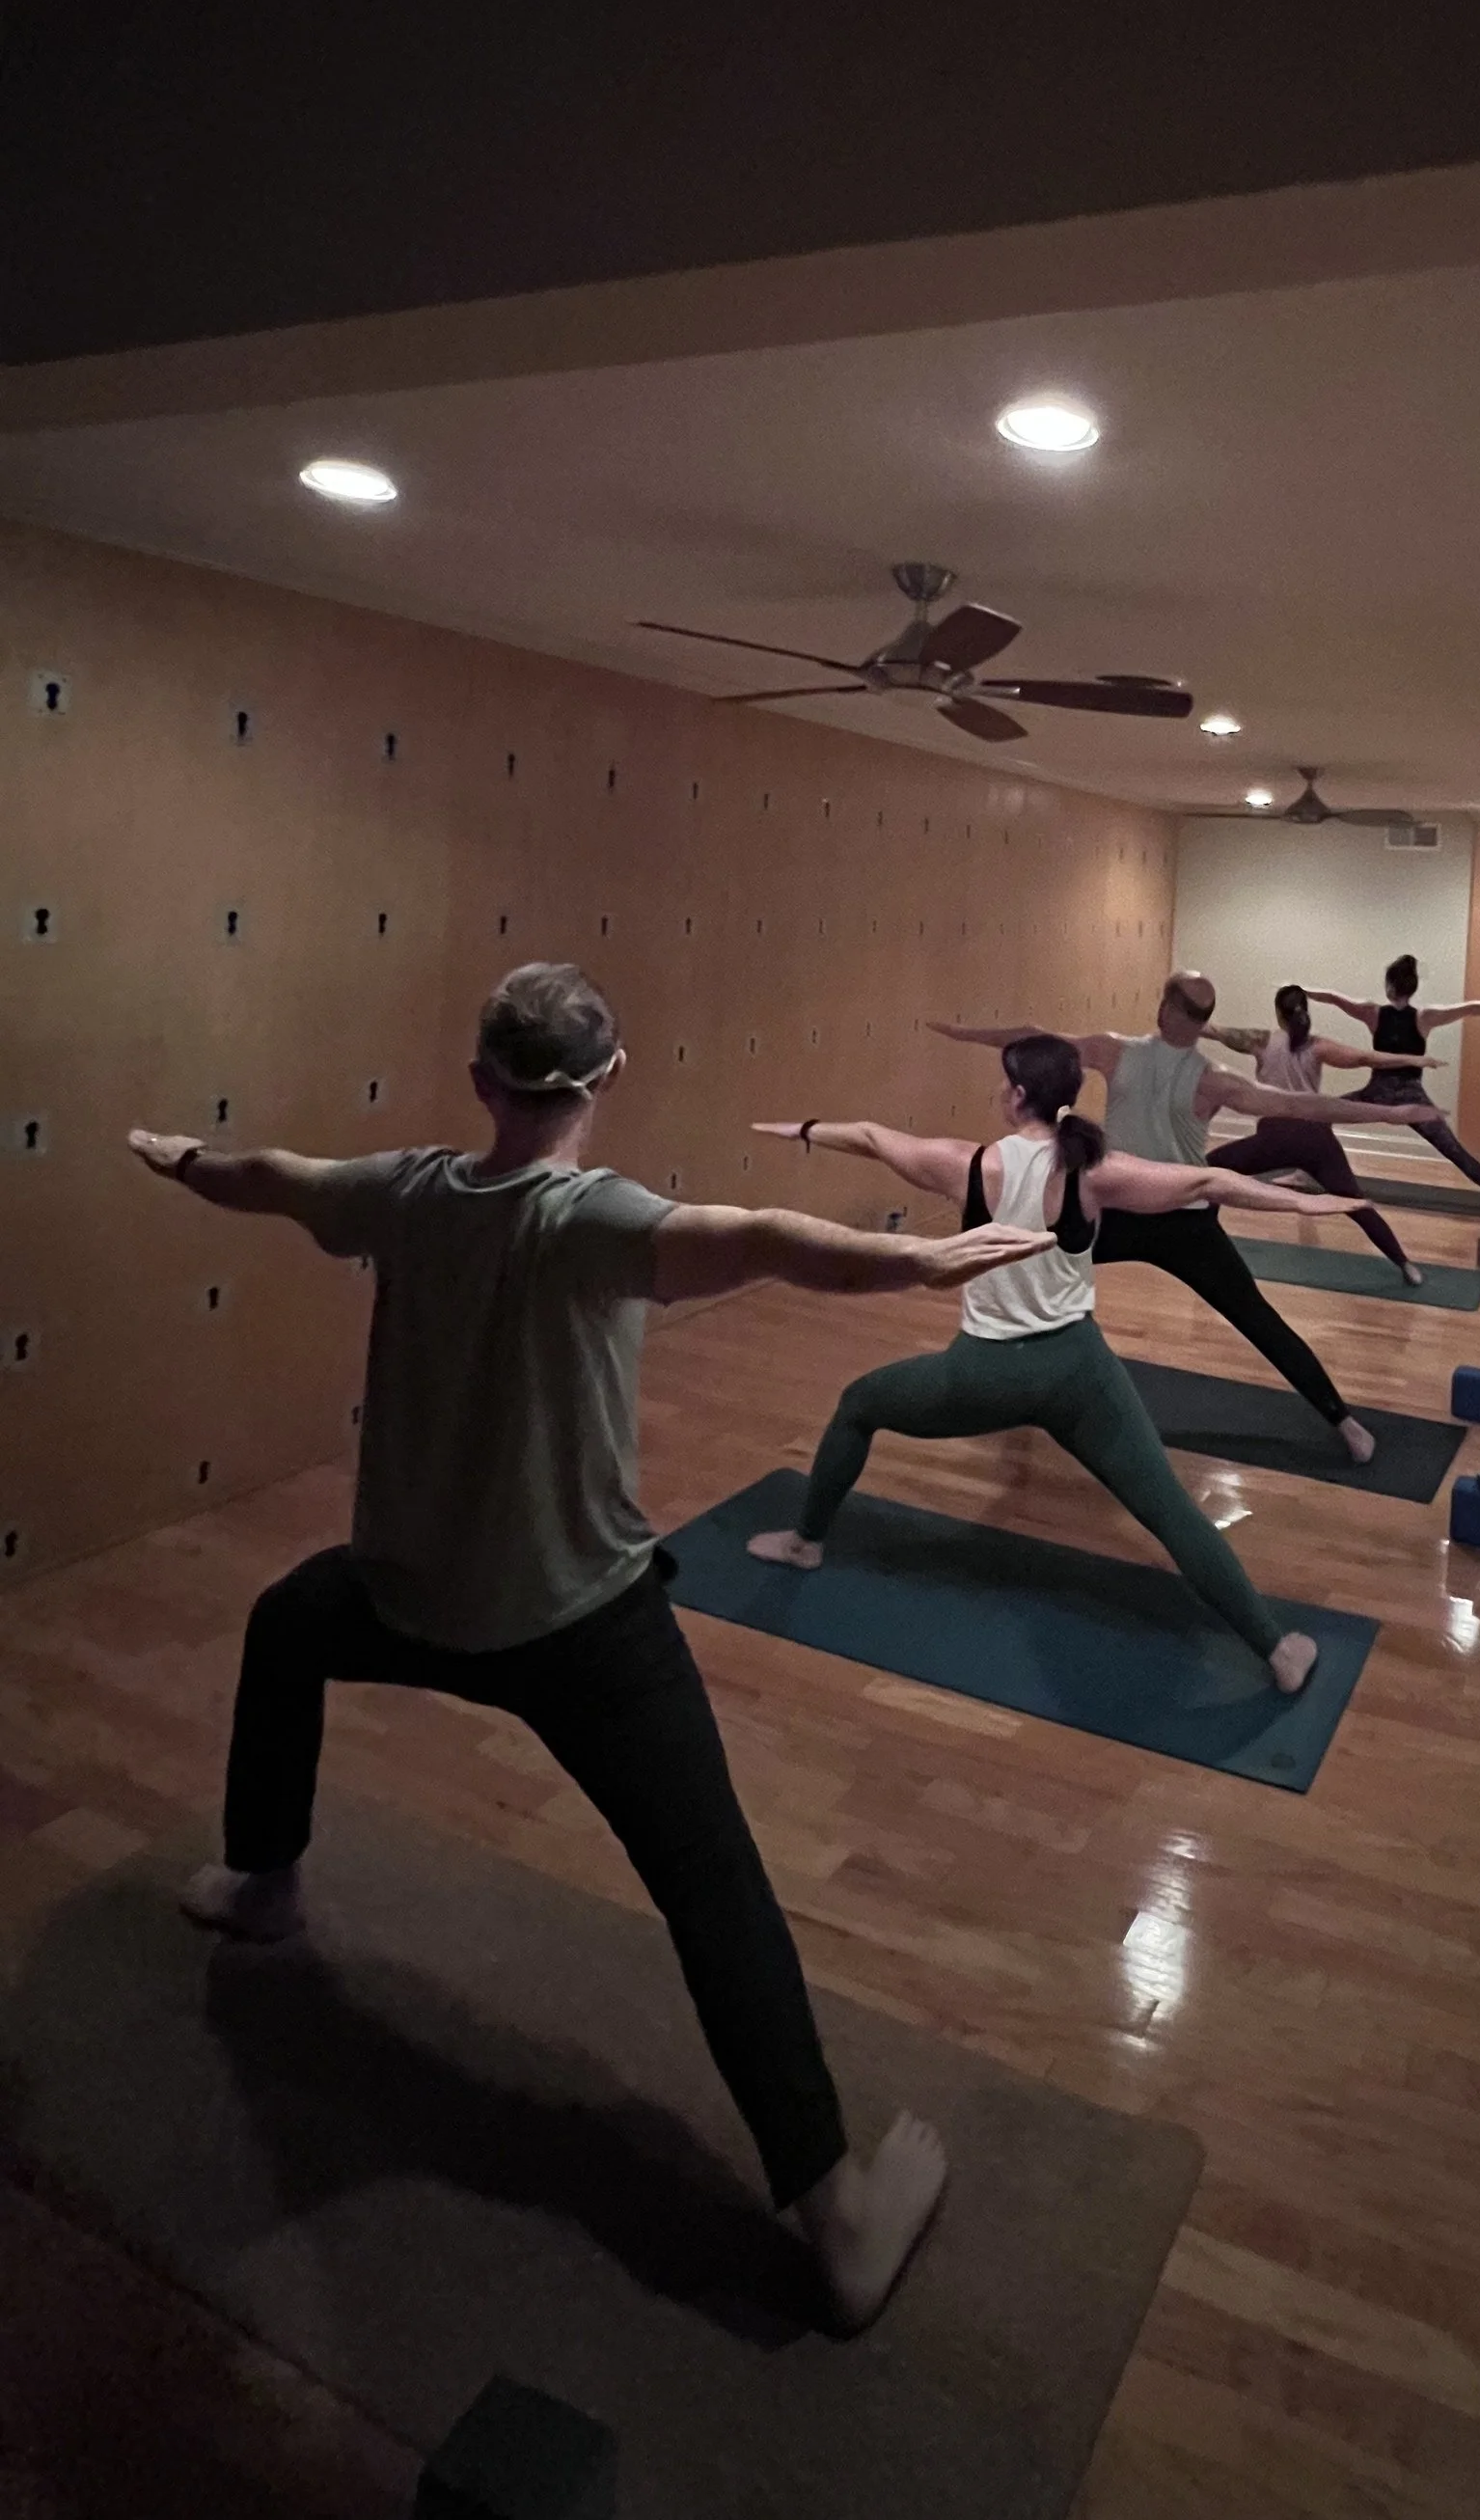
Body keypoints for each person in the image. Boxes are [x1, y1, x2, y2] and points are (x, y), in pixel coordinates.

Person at [126, 961, 1054, 2334]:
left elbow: (276, 1177)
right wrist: (914, 1261)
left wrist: (186, 1161)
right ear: (608, 1081)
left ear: (481, 1082)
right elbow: (761, 1238)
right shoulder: (595, 1219)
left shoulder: (405, 1191)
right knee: (714, 1885)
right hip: (577, 1627)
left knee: (285, 1624)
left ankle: (267, 1881)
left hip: (408, 1595)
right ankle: (840, 2219)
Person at [745, 1033, 1375, 1688]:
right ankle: (1276, 1650)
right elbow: (1208, 1180)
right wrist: (1306, 1202)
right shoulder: (1094, 1170)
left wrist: (806, 1130)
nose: (1000, 1090)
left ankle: (805, 1542)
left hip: (983, 1375)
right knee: (1169, 1508)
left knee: (858, 1404)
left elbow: (874, 1138)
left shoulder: (966, 1164)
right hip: (1079, 1374)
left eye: (1004, 1082)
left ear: (1019, 1095)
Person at [931, 973, 1441, 1462]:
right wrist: (1391, 1114)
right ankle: (1348, 1428)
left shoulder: (1134, 1056)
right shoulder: (1190, 1072)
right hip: (1132, 1211)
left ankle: (1343, 1420)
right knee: (1030, 1267)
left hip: (1170, 1219)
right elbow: (1301, 1106)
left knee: (1253, 1316)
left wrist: (966, 1034)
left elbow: (1033, 1037)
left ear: (1167, 1010)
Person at [1199, 984, 1430, 1286]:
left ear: (1278, 1013)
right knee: (1355, 1202)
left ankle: (1207, 1245)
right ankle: (1406, 1264)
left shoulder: (1260, 1040)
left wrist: (1176, 1017)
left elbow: (1210, 1030)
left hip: (1276, 1138)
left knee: (1210, 1169)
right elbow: (1365, 1058)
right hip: (1315, 1140)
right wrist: (1411, 1060)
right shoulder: (1318, 1046)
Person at [1306, 955, 1480, 1203]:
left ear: (1389, 986)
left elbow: (1332, 997)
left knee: (1318, 1117)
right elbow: (1471, 1008)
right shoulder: (1423, 1017)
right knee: (1451, 1147)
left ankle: (1305, 1173)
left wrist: (1298, 991)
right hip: (1405, 1098)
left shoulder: (1373, 1013)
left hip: (1378, 1096)